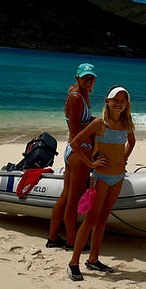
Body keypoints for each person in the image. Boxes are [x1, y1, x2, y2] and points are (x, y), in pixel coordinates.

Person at [66, 86, 135, 281]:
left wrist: (124, 158)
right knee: (90, 220)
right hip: (101, 178)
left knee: (103, 219)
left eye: (123, 100)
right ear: (107, 101)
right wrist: (90, 163)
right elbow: (75, 143)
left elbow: (132, 142)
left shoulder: (126, 123)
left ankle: (94, 259)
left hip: (118, 177)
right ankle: (73, 263)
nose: (119, 103)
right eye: (116, 99)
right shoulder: (99, 124)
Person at [46, 62, 97, 248]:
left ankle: (53, 238)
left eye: (91, 78)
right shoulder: (76, 97)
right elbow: (75, 130)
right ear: (78, 78)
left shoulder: (80, 94)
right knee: (73, 199)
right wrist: (88, 158)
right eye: (85, 78)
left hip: (72, 150)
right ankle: (72, 242)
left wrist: (96, 121)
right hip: (79, 150)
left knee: (66, 196)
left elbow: (80, 122)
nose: (89, 81)